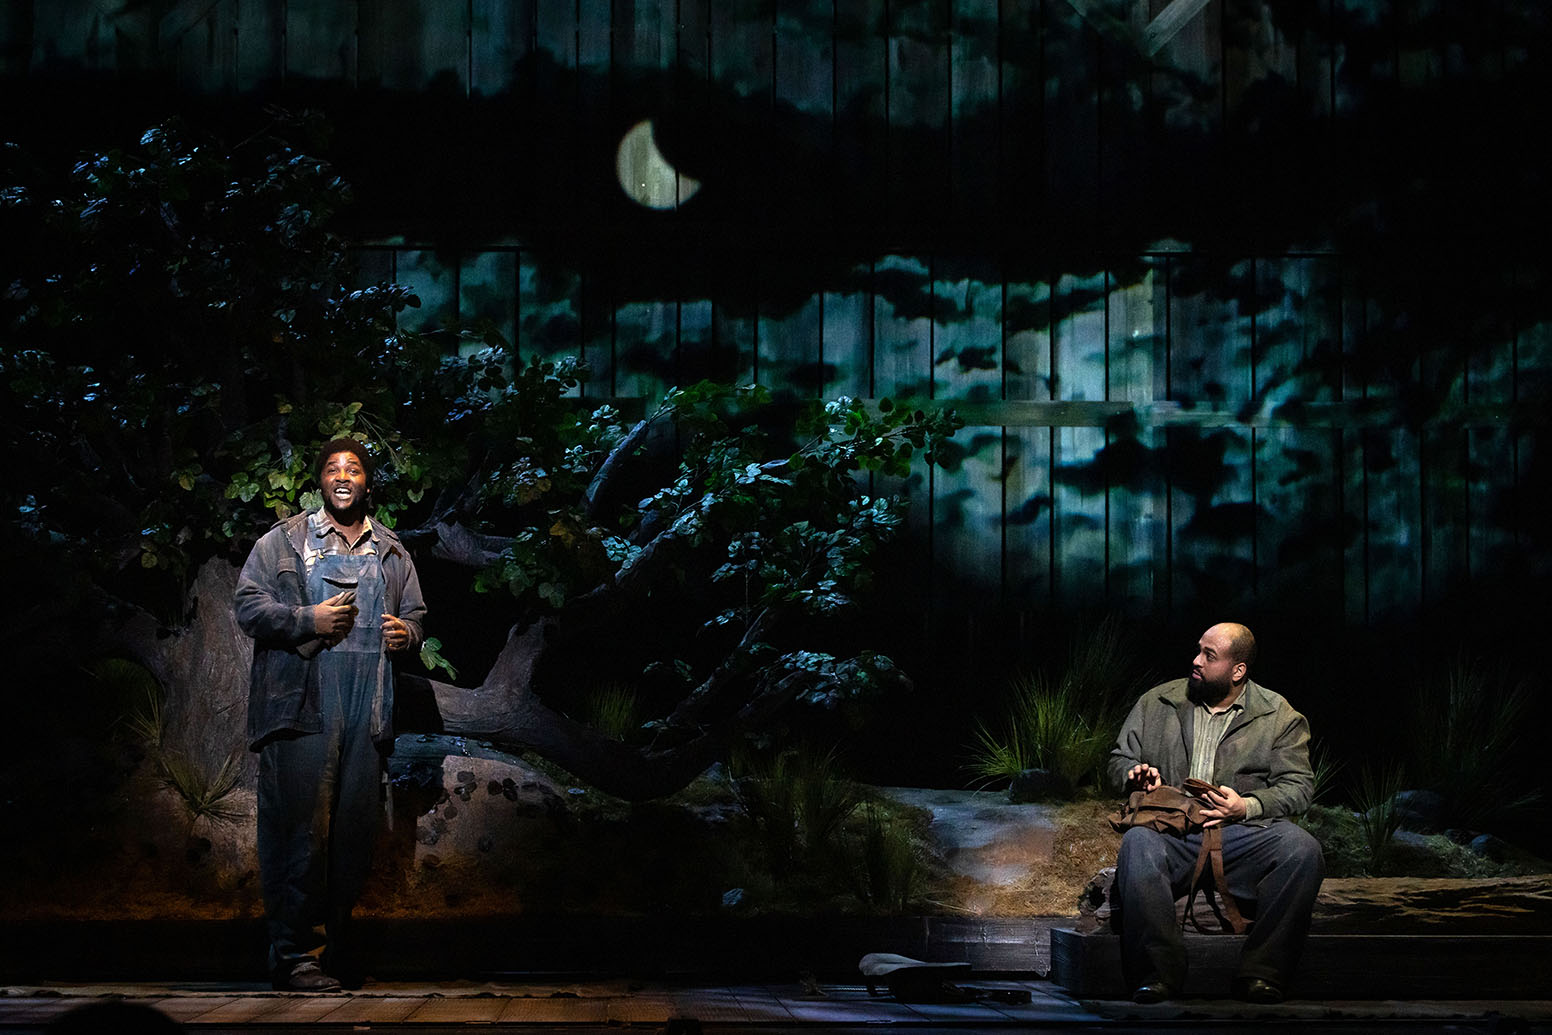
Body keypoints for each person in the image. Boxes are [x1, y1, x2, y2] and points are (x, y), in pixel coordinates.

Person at [235, 438, 427, 991]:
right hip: (305, 709)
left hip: (367, 711)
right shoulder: (284, 541)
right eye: (333, 469)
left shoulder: (391, 550)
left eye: (354, 469)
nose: (343, 477)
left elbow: (416, 614)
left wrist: (407, 633)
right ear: (319, 480)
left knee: (351, 839)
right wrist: (306, 620)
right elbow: (247, 605)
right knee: (301, 837)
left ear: (367, 482)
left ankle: (334, 951)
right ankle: (296, 956)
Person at [1108, 622, 1323, 1005]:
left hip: (1242, 835)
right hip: (1173, 830)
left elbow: (1299, 786)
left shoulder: (1278, 715)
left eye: (1209, 656)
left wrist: (1247, 806)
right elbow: (1119, 759)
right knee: (1138, 844)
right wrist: (1134, 774)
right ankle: (1157, 975)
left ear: (1238, 670)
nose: (1196, 660)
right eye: (1199, 650)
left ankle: (1263, 973)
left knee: (1302, 850)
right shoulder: (1158, 702)